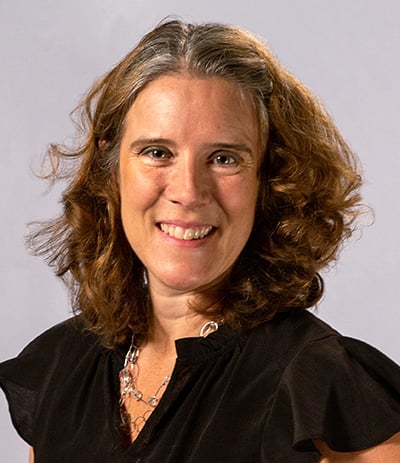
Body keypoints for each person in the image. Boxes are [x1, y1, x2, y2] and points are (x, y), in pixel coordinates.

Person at [1, 19, 399, 463]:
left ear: (270, 180)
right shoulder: (61, 368)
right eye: (157, 153)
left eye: (224, 158)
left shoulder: (324, 388)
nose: (188, 191)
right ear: (111, 172)